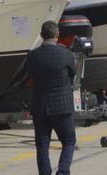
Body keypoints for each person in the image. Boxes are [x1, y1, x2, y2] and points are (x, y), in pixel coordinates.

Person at [25, 20, 77, 175]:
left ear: (41, 35)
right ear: (57, 35)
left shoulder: (33, 56)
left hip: (40, 107)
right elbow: (72, 75)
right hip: (62, 107)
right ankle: (62, 170)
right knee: (69, 141)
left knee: (42, 146)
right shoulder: (66, 54)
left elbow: (30, 75)